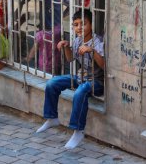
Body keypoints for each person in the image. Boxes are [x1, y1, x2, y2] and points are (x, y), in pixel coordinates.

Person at [35, 9, 105, 149]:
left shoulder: (97, 41)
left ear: (91, 24)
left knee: (81, 91)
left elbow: (104, 65)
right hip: (80, 77)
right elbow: (70, 58)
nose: (79, 27)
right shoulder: (78, 40)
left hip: (96, 81)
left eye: (83, 24)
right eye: (76, 24)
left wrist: (92, 50)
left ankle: (78, 131)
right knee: (52, 83)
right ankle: (52, 118)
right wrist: (66, 46)